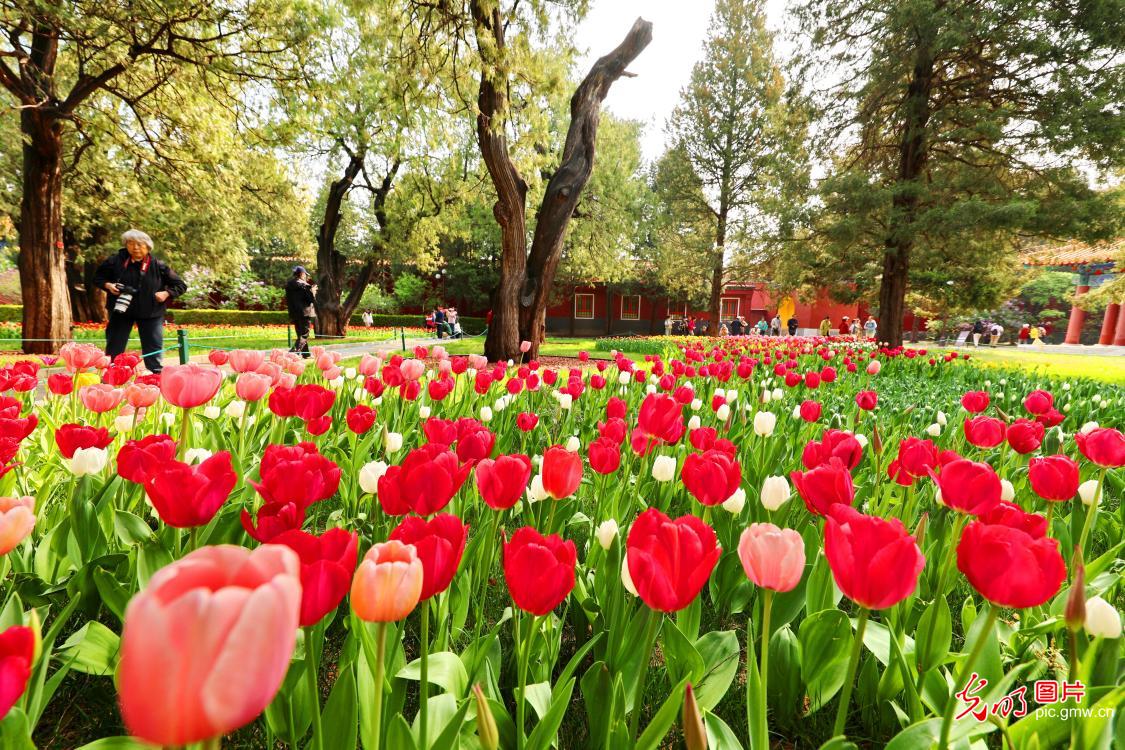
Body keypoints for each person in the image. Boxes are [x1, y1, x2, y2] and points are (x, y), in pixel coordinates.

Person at [93, 229, 187, 375]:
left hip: (151, 312)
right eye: (131, 243)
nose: (135, 247)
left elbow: (180, 285)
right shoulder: (115, 261)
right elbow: (97, 278)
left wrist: (166, 293)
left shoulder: (158, 265)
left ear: (148, 247)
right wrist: (108, 285)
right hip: (121, 311)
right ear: (126, 245)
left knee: (153, 348)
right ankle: (112, 375)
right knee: (114, 346)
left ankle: (155, 376)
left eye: (139, 244)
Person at [285, 266, 317, 357]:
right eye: (305, 275)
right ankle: (293, 353)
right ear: (302, 274)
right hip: (305, 313)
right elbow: (310, 300)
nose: (306, 277)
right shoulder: (305, 285)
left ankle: (306, 354)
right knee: (304, 335)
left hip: (294, 313)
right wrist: (313, 291)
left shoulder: (289, 285)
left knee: (300, 334)